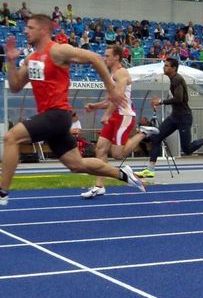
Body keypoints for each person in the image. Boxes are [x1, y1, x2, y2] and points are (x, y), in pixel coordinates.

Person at [0, 14, 145, 206]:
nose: (25, 30)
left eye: (30, 27)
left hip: (58, 115)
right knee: (77, 165)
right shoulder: (30, 60)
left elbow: (94, 58)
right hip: (50, 118)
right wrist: (10, 62)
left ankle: (2, 192)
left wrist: (110, 88)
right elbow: (16, 86)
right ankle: (122, 173)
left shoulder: (59, 51)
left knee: (11, 137)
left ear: (44, 30)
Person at [80, 45, 159, 199]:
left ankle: (144, 132)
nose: (105, 58)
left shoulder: (121, 73)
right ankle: (99, 186)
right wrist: (95, 106)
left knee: (117, 154)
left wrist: (107, 114)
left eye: (108, 56)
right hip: (115, 115)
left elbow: (119, 96)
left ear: (117, 57)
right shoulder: (112, 75)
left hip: (124, 116)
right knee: (100, 149)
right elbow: (111, 99)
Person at [136, 57, 203, 178]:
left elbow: (179, 99)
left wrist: (161, 101)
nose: (164, 67)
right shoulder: (173, 80)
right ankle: (150, 170)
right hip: (174, 117)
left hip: (184, 118)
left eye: (167, 66)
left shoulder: (177, 79)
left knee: (187, 149)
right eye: (164, 65)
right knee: (156, 138)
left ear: (173, 68)